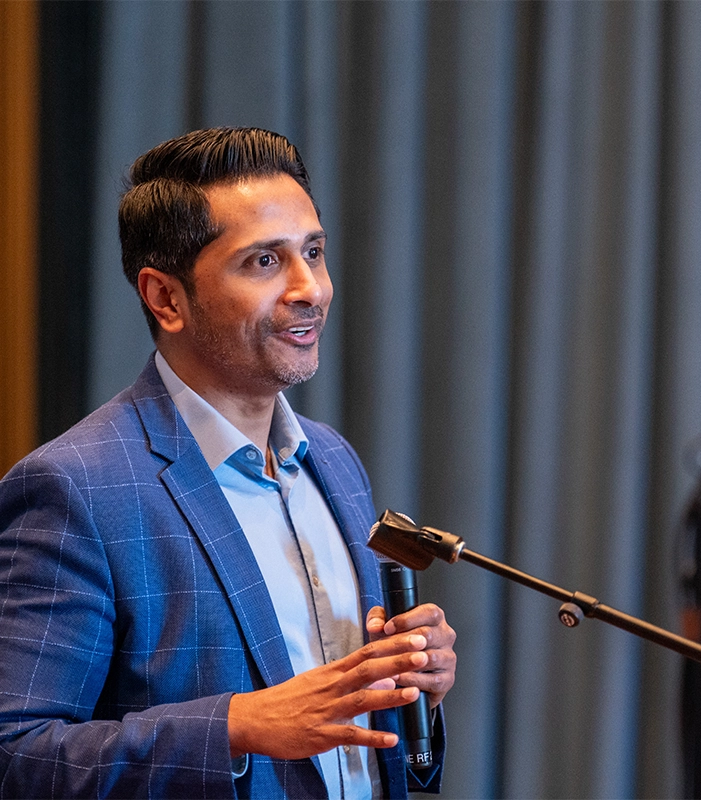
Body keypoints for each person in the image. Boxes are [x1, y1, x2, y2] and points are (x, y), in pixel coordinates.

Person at [0, 127, 456, 799]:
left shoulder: (332, 460)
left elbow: (343, 729)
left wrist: (415, 687)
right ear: (166, 298)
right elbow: (16, 755)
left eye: (314, 252)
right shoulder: (75, 488)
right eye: (264, 263)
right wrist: (235, 726)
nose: (311, 289)